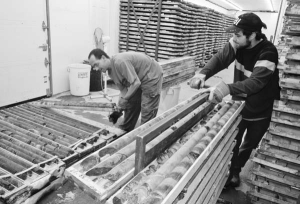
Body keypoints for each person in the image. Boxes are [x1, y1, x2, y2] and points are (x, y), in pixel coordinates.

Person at [189, 13, 280, 187]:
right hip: (239, 103)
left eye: (238, 35)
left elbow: (255, 83)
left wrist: (226, 89)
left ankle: (236, 170)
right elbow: (221, 58)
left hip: (261, 107)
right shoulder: (238, 43)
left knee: (249, 143)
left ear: (252, 35)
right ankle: (228, 172)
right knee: (233, 139)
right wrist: (203, 73)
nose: (234, 39)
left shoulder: (268, 53)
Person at [88, 49, 163, 132]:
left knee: (147, 110)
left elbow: (135, 83)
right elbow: (124, 90)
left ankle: (145, 135)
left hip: (151, 74)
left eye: (96, 64)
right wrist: (119, 108)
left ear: (103, 58)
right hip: (137, 78)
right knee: (131, 103)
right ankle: (125, 131)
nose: (95, 69)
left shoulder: (119, 62)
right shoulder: (110, 72)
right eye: (93, 67)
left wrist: (124, 100)